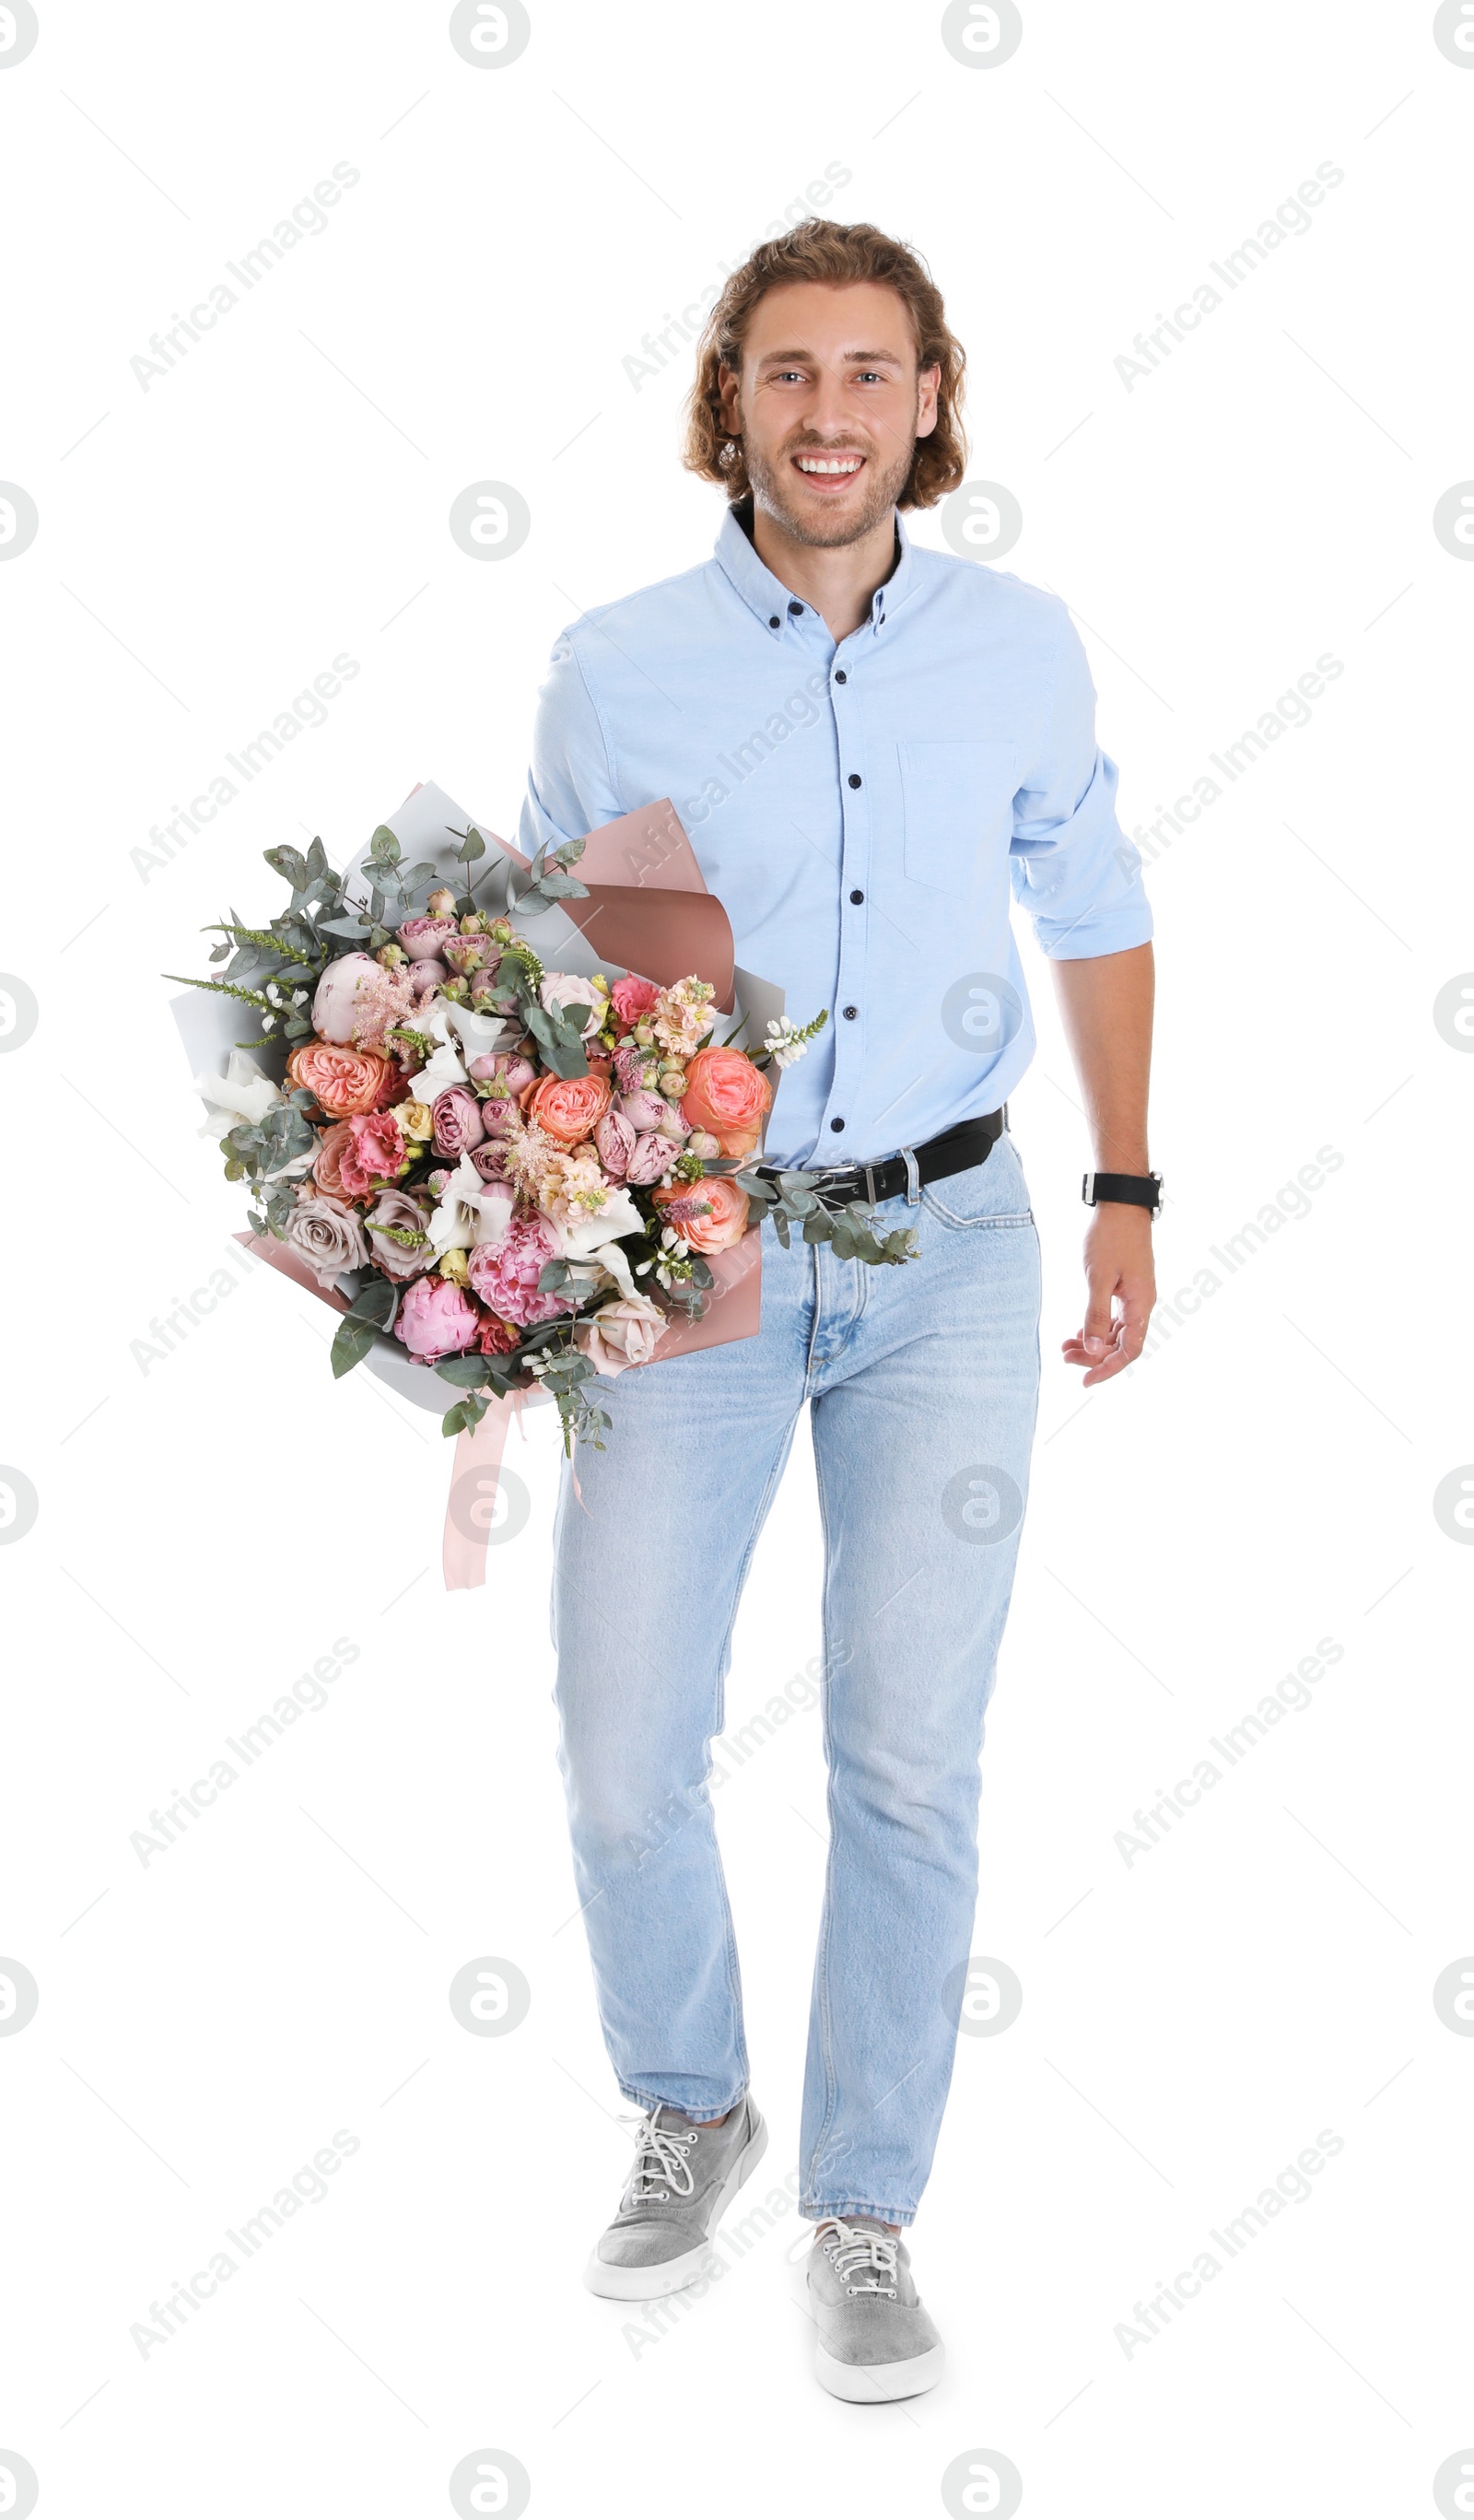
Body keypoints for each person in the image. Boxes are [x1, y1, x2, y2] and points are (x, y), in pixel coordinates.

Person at [517, 218, 1158, 2402]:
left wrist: (1126, 1196)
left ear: (924, 403)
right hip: (686, 1259)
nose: (825, 415)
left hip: (949, 1259)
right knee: (622, 1758)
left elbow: (1096, 907)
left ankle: (861, 2207)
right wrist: (492, 1262)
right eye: (786, 373)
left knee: (905, 1759)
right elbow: (548, 985)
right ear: (731, 402)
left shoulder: (1023, 646)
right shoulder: (613, 663)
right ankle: (691, 2108)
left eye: (865, 375)